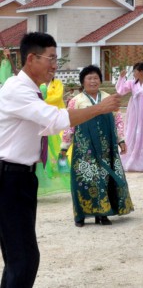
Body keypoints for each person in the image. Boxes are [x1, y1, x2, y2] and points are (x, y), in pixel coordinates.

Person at [0, 32, 120, 287]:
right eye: (51, 58)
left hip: (19, 177)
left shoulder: (29, 90)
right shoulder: (17, 90)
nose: (55, 65)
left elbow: (44, 128)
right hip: (10, 178)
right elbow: (55, 120)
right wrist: (100, 107)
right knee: (23, 259)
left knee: (18, 258)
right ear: (31, 59)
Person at [60, 65, 133, 227]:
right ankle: (81, 215)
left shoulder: (108, 98)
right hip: (84, 148)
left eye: (96, 78)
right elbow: (69, 125)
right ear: (83, 82)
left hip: (106, 146)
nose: (93, 81)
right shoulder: (75, 101)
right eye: (89, 78)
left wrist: (121, 140)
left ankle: (103, 213)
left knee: (104, 178)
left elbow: (118, 120)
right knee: (84, 179)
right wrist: (64, 147)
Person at [35, 79, 70, 195]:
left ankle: (57, 169)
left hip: (55, 115)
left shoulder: (57, 83)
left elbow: (57, 97)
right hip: (42, 117)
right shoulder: (37, 82)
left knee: (57, 144)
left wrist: (42, 102)